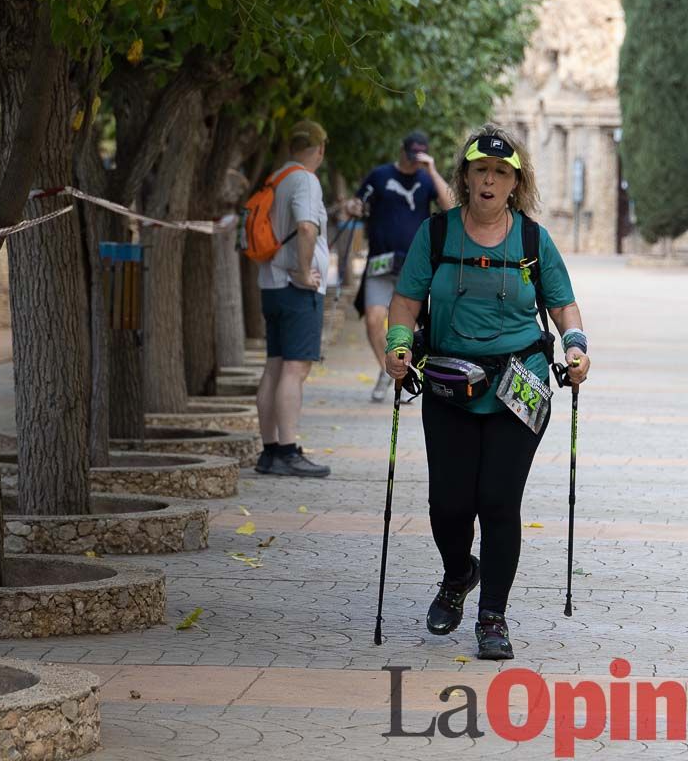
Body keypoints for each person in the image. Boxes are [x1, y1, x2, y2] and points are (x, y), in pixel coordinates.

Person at [383, 124, 590, 660]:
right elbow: (405, 301)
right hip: (450, 384)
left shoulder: (531, 240)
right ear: (466, 177)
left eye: (502, 172)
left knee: (498, 501)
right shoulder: (436, 234)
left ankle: (492, 617)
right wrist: (399, 344)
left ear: (515, 182)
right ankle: (459, 575)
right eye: (482, 170)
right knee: (448, 505)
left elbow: (563, 303)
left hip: (517, 386)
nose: (490, 180)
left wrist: (575, 345)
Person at [253, 120, 332, 478]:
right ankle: (288, 450)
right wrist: (302, 272)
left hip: (270, 284)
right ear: (320, 149)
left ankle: (269, 450)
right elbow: (305, 227)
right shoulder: (306, 180)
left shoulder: (277, 177)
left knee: (275, 365)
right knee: (295, 369)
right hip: (296, 288)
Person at [353, 131, 455, 402]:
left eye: (419, 157)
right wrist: (353, 207)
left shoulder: (426, 178)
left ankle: (405, 371)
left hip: (415, 267)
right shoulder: (380, 175)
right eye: (411, 156)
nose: (413, 162)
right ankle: (387, 371)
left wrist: (431, 170)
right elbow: (358, 202)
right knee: (374, 319)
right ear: (402, 151)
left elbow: (451, 206)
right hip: (380, 263)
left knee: (414, 326)